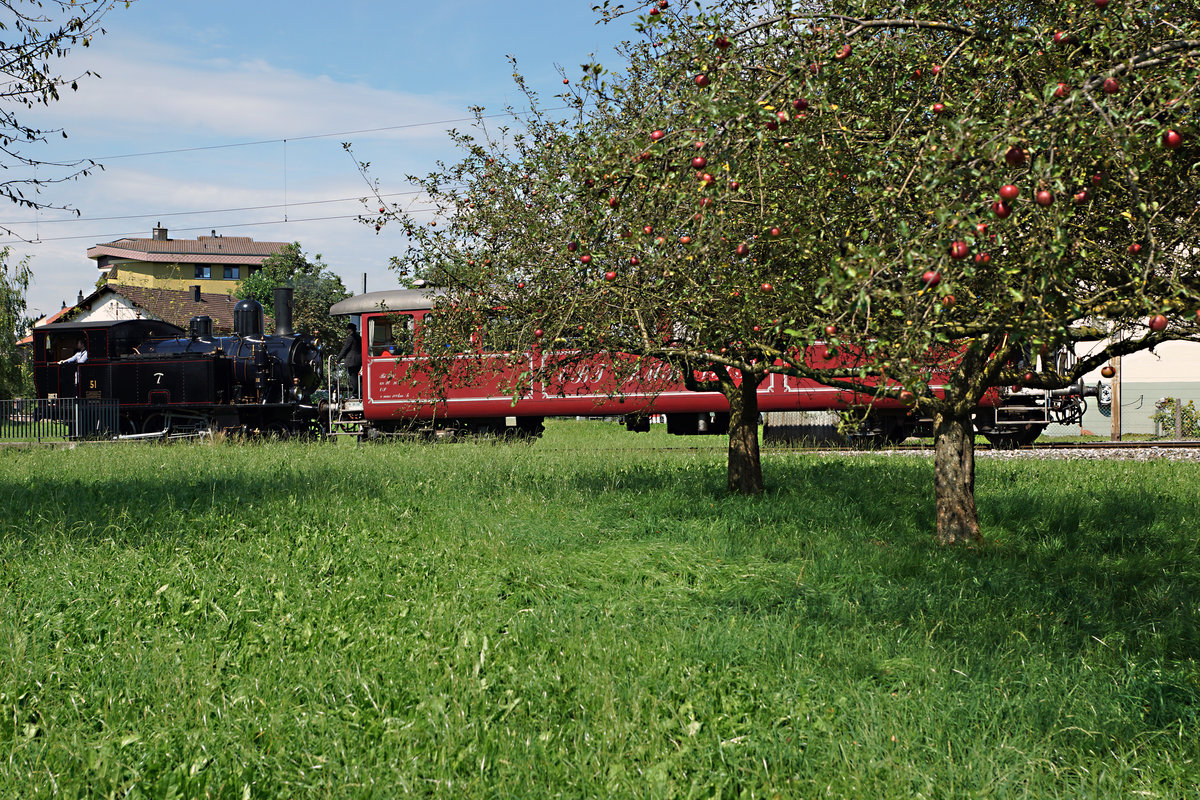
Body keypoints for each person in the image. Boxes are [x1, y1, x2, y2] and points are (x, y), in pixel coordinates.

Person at [336, 323, 362, 398]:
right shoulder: (359, 337)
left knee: (353, 377)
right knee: (356, 377)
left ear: (350, 329)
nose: (347, 330)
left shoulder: (351, 337)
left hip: (352, 360)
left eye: (347, 329)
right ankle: (359, 392)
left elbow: (345, 348)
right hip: (358, 360)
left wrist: (338, 359)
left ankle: (355, 394)